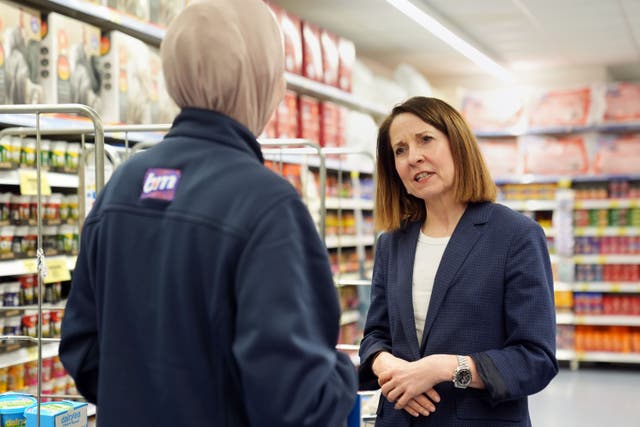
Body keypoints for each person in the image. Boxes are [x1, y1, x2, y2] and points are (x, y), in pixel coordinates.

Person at [59, 1, 357, 426]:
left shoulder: (121, 185)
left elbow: (82, 347)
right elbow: (294, 402)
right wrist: (344, 376)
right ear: (261, 77)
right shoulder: (268, 205)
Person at [358, 96, 558, 426]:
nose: (414, 157)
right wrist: (384, 365)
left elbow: (535, 358)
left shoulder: (515, 236)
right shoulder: (391, 244)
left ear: (457, 144)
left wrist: (445, 368)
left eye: (425, 139)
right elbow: (375, 334)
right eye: (400, 150)